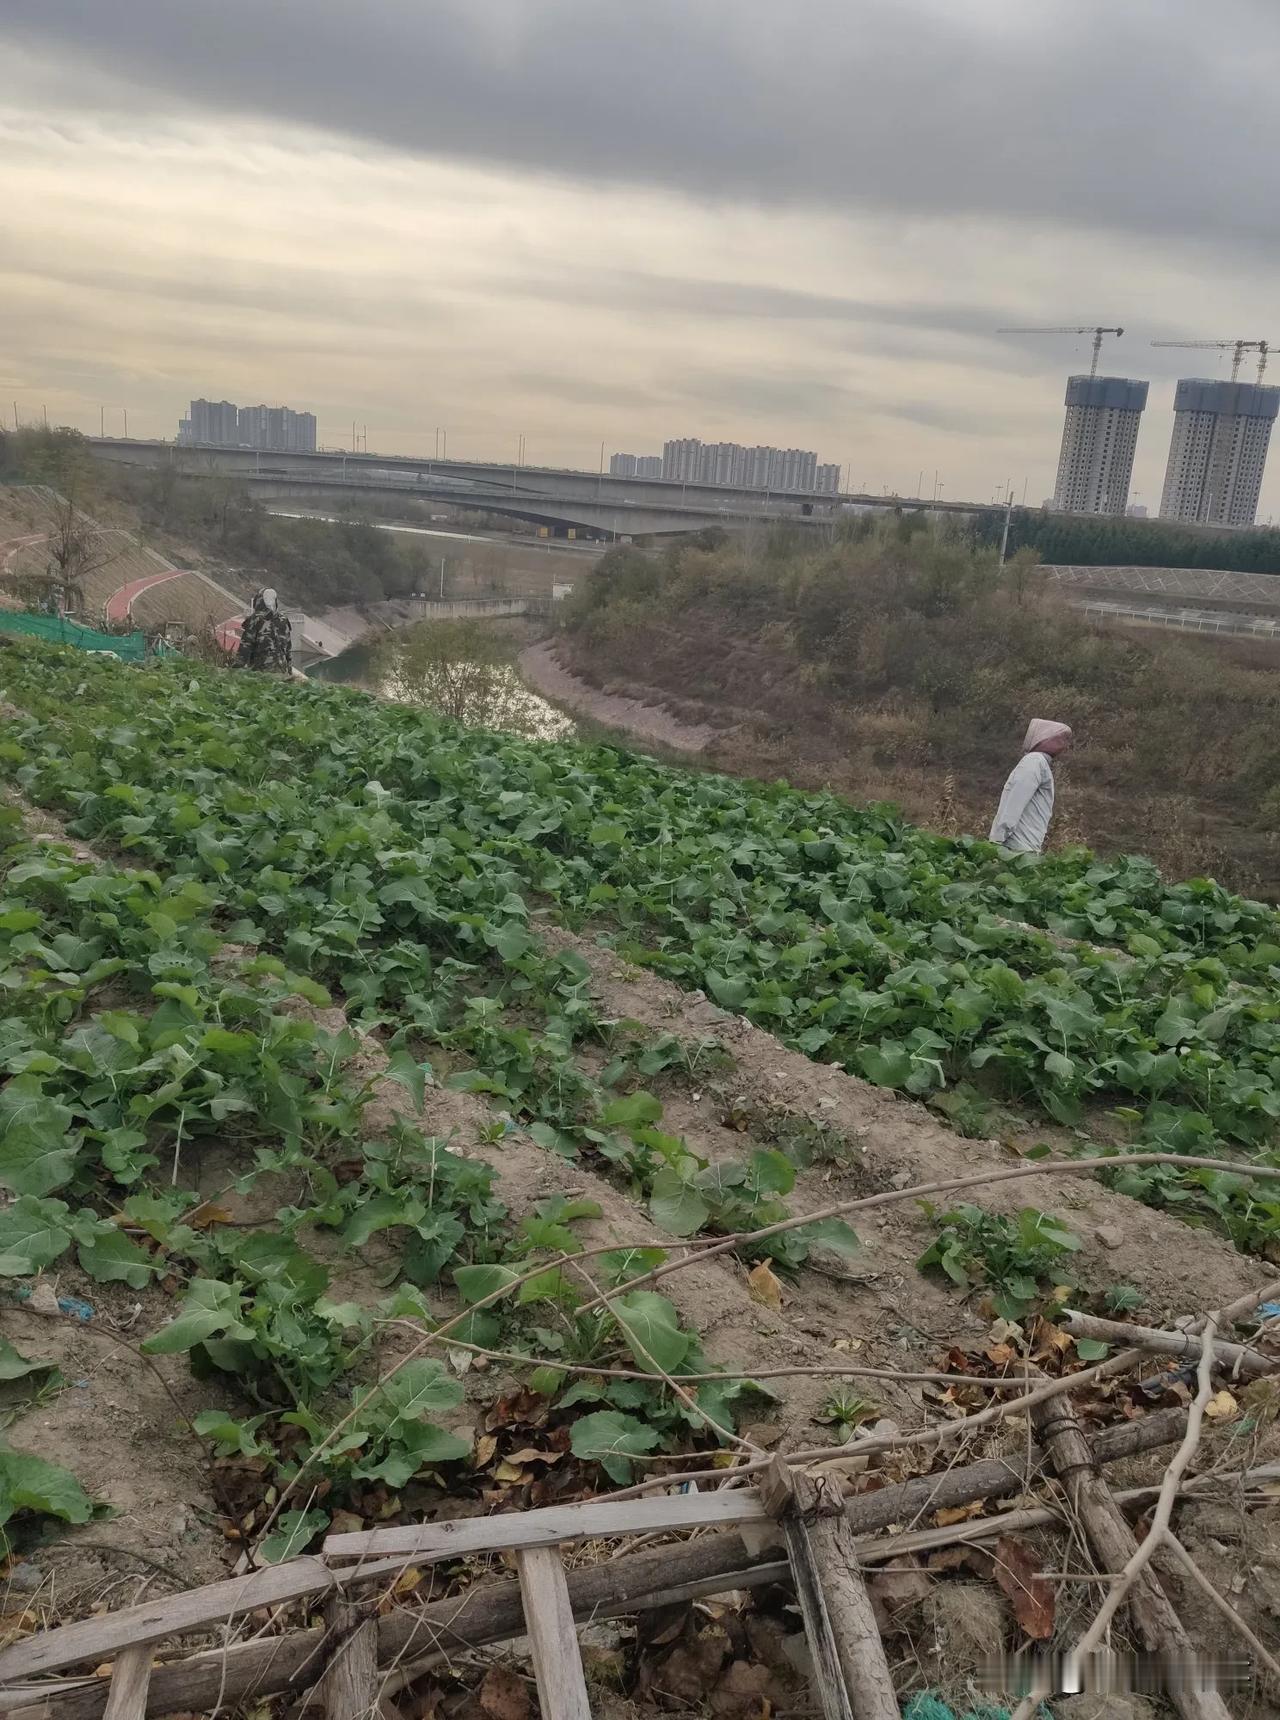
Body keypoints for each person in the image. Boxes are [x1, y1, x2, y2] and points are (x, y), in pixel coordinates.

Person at [989, 719, 1072, 854]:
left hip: (1023, 847)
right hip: (1014, 848)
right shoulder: (1034, 761)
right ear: (1043, 737)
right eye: (1060, 739)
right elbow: (1015, 801)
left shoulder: (1039, 763)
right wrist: (999, 838)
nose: (1064, 745)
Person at [235, 588, 292, 674]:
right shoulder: (284, 620)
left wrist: (235, 671)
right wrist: (290, 671)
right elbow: (288, 650)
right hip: (282, 672)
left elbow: (245, 648)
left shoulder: (255, 619)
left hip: (261, 673)